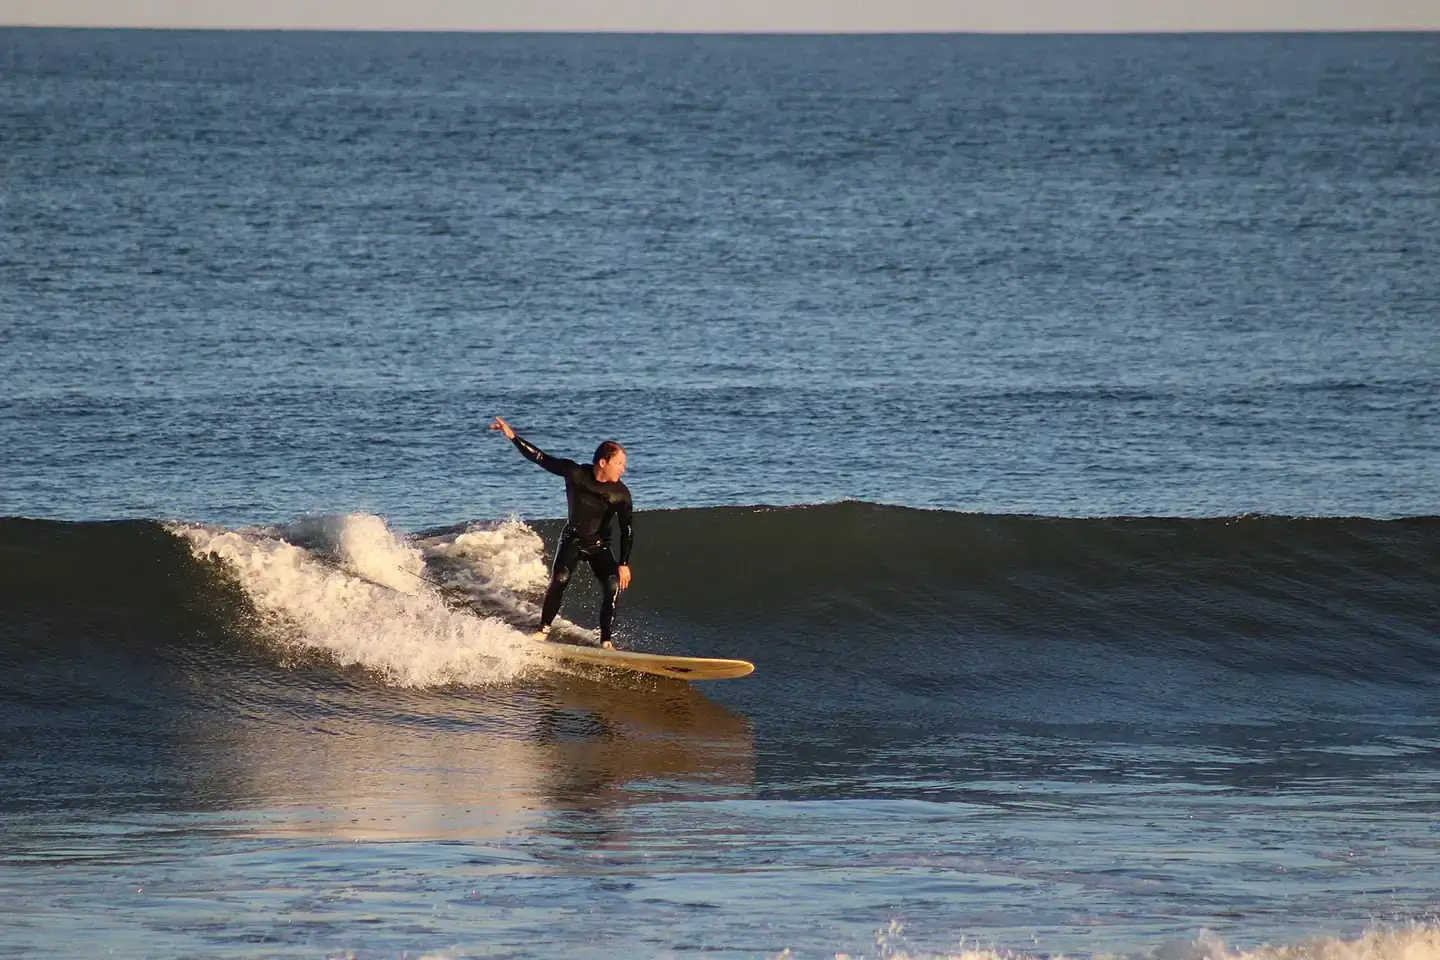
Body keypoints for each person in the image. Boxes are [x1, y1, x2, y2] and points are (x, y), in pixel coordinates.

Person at [490, 416, 632, 649]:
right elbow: (541, 458)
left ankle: (606, 642)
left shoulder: (621, 494)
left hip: (599, 545)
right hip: (573, 539)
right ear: (604, 463)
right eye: (619, 463)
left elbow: (627, 529)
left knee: (613, 585)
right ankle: (544, 628)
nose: (623, 469)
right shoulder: (575, 473)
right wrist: (513, 437)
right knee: (560, 578)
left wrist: (624, 562)